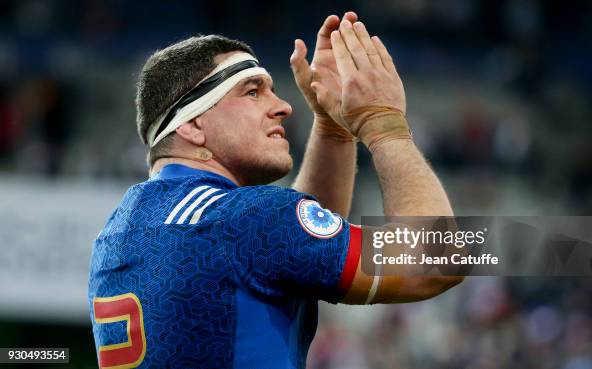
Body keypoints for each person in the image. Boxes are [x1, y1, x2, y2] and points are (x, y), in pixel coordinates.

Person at [88, 12, 463, 368]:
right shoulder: (245, 221)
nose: (283, 106)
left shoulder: (119, 227)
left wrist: (332, 127)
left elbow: (289, 253)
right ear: (192, 125)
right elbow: (439, 261)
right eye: (252, 92)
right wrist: (383, 123)